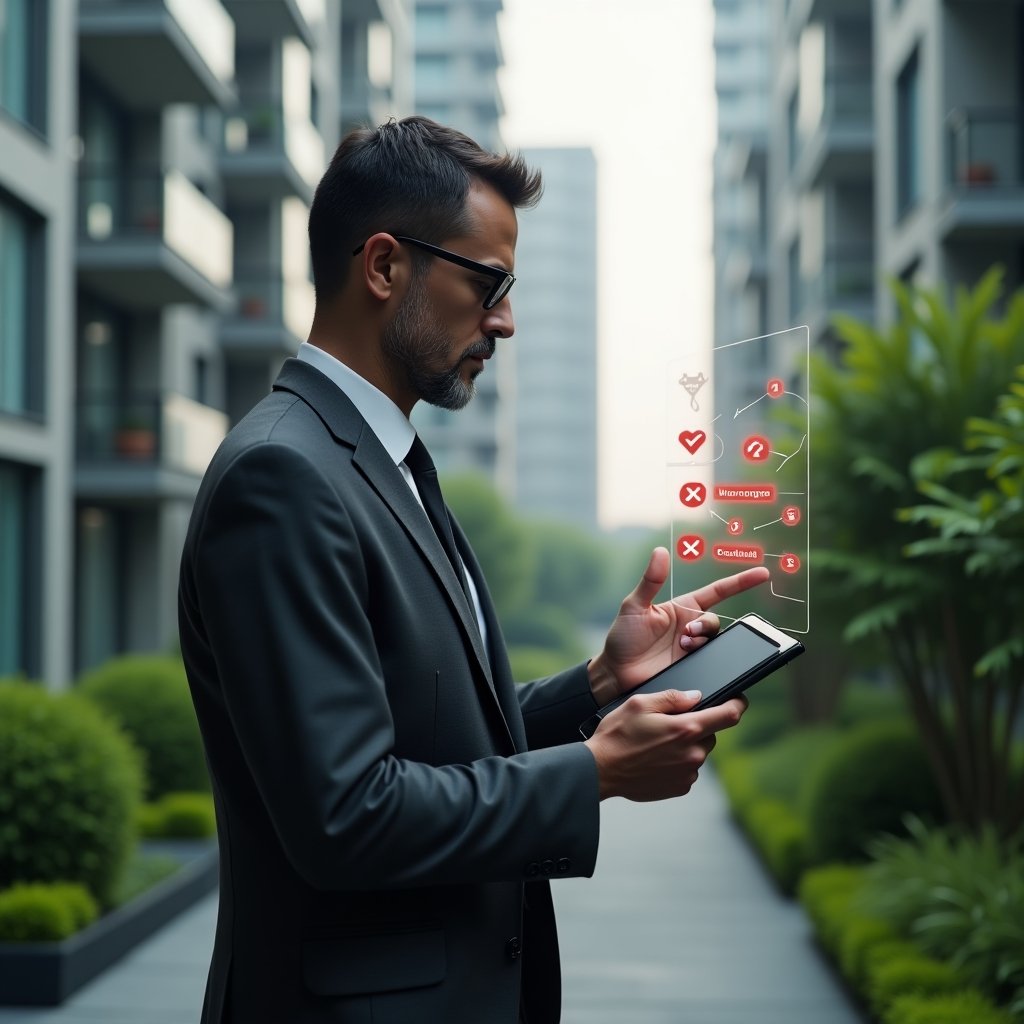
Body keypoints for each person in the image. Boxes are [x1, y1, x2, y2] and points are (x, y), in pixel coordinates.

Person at [177, 116, 770, 1024]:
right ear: (383, 266)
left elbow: (432, 741)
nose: (506, 318)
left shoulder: (382, 462)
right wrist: (594, 771)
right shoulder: (283, 477)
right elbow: (348, 815)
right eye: (487, 282)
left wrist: (599, 683)